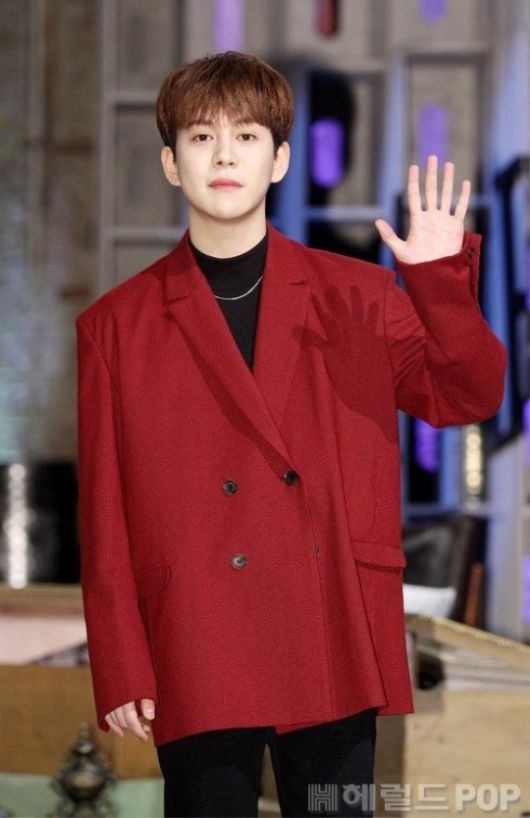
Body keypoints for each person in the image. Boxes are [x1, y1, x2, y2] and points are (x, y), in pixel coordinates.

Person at [75, 51, 507, 817]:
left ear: (278, 159)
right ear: (172, 164)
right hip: (197, 630)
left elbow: (467, 395)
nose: (224, 157)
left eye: (246, 137)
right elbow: (102, 514)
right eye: (202, 138)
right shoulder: (116, 325)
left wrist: (439, 283)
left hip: (329, 614)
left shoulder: (358, 294)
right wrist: (120, 661)